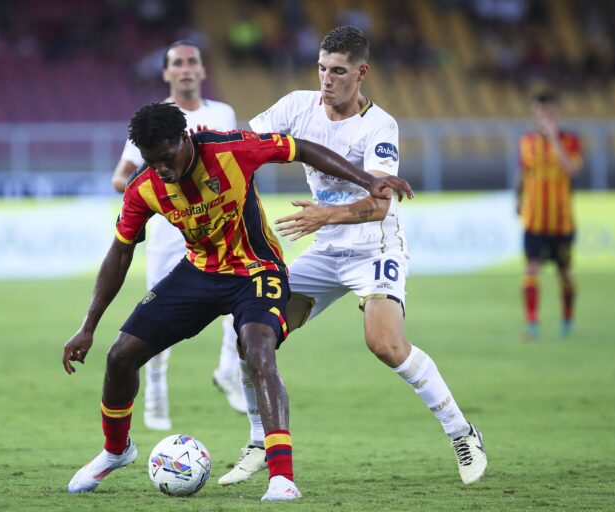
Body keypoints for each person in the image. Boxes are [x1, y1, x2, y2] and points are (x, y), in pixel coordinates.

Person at [62, 102, 413, 501]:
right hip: (199, 273)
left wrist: (367, 179)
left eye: (166, 157)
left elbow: (298, 147)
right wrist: (87, 326)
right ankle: (116, 450)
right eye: (151, 160)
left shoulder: (231, 150)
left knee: (257, 347)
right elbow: (120, 253)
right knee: (120, 356)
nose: (161, 168)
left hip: (257, 270)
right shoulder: (144, 187)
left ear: (184, 138)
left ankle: (282, 477)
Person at [217, 25, 488, 488]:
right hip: (324, 251)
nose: (327, 79)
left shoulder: (380, 126)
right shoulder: (296, 106)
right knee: (252, 332)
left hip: (374, 247)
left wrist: (326, 214)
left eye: (338, 71)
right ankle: (260, 442)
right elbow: (241, 143)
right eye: (322, 68)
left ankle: (462, 433)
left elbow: (380, 204)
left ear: (361, 73)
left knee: (385, 344)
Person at [112, 40, 246, 431]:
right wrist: (156, 194)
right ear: (167, 73)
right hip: (171, 237)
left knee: (239, 303)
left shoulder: (223, 113)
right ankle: (155, 397)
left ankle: (228, 372)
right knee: (158, 322)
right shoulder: (155, 121)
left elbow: (233, 160)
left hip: (222, 230)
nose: (186, 69)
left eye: (192, 62)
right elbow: (121, 175)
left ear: (203, 70)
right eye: (177, 63)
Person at [516, 91, 583, 338]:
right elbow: (522, 172)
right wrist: (517, 198)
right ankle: (532, 322)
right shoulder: (526, 141)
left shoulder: (570, 141)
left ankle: (567, 318)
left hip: (561, 222)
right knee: (531, 269)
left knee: (564, 273)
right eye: (540, 112)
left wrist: (554, 140)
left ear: (556, 112)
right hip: (534, 219)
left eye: (548, 111)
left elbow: (572, 170)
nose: (544, 116)